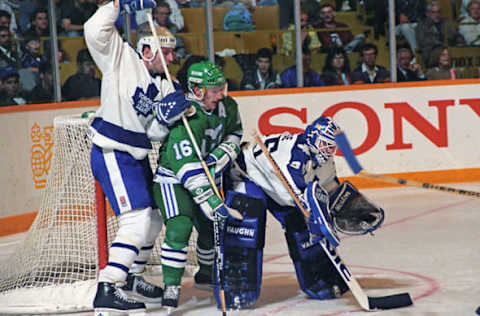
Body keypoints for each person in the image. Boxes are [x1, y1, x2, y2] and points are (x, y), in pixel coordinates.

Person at [84, 0, 191, 314]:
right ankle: (108, 286)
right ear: (146, 50)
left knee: (155, 216)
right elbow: (93, 30)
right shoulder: (120, 57)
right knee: (137, 219)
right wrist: (117, 4)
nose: (172, 58)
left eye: (173, 52)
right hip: (113, 150)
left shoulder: (164, 85)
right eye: (166, 52)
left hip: (137, 155)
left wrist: (167, 118)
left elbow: (155, 134)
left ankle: (132, 277)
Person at [220, 116, 384, 309]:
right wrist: (318, 223)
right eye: (324, 144)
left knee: (304, 232)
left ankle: (320, 281)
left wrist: (348, 209)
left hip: (279, 187)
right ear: (313, 138)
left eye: (332, 146)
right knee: (247, 228)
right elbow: (303, 199)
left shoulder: (324, 162)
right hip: (247, 175)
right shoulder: (294, 157)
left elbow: (328, 191)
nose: (328, 151)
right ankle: (237, 288)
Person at [152, 60, 243, 309]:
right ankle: (171, 285)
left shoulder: (228, 106)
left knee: (209, 228)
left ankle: (206, 272)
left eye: (220, 88)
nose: (220, 94)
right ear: (198, 90)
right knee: (180, 228)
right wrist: (211, 199)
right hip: (174, 180)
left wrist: (219, 156)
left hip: (207, 174)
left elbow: (236, 133)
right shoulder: (186, 119)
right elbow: (188, 169)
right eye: (213, 90)